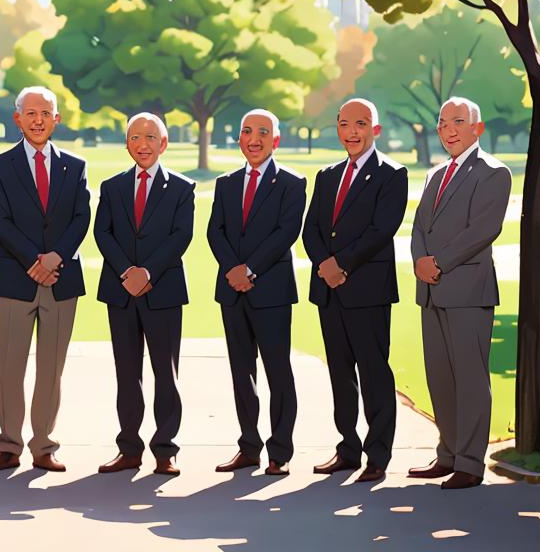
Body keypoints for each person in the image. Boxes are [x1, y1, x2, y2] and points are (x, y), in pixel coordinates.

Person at [0, 86, 91, 474]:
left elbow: (81, 218)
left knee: (51, 368)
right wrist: (34, 260)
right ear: (17, 118)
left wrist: (55, 258)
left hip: (62, 278)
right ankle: (8, 446)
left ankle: (44, 445)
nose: (38, 119)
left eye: (46, 112)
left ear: (57, 118)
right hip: (15, 276)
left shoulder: (75, 166)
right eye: (30, 112)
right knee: (10, 366)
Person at [302, 98, 407, 483]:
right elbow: (310, 228)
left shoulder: (392, 174)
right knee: (340, 374)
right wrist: (325, 266)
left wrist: (341, 264)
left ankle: (377, 455)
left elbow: (383, 229)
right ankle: (347, 449)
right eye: (345, 124)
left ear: (375, 130)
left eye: (360, 124)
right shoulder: (327, 175)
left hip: (367, 290)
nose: (352, 132)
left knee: (374, 373)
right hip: (330, 291)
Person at [409, 97, 511, 490]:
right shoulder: (436, 175)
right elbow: (419, 226)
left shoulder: (493, 173)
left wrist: (439, 263)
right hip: (431, 290)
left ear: (477, 128)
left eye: (457, 121)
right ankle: (448, 454)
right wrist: (420, 259)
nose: (448, 129)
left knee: (469, 378)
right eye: (442, 122)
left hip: (467, 289)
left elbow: (484, 229)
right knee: (440, 378)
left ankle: (470, 462)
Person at [94, 113, 195, 476]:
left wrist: (147, 272)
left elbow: (181, 237)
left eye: (150, 137)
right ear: (127, 144)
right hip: (121, 292)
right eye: (135, 137)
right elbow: (102, 233)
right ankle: (129, 448)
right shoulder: (112, 187)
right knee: (127, 373)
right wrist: (127, 272)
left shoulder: (183, 189)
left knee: (165, 374)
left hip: (162, 290)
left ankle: (165, 449)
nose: (143, 144)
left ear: (163, 143)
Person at [207, 109, 305, 476]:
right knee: (241, 371)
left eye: (263, 132)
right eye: (247, 131)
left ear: (275, 140)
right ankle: (249, 446)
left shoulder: (293, 184)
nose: (254, 138)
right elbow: (215, 231)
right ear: (239, 139)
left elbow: (285, 234)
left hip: (272, 291)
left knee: (278, 371)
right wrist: (233, 270)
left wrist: (249, 270)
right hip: (232, 292)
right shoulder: (226, 183)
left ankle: (280, 451)